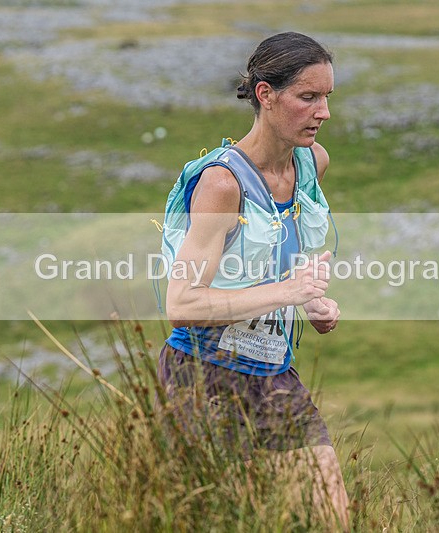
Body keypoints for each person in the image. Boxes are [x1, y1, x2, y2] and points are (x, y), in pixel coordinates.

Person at [157, 31, 349, 529]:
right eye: (308, 97)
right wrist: (288, 292)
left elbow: (273, 269)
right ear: (266, 95)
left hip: (274, 373)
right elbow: (182, 304)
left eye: (327, 97)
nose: (323, 111)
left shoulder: (313, 164)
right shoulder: (222, 184)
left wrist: (309, 305)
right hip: (204, 377)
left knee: (333, 517)